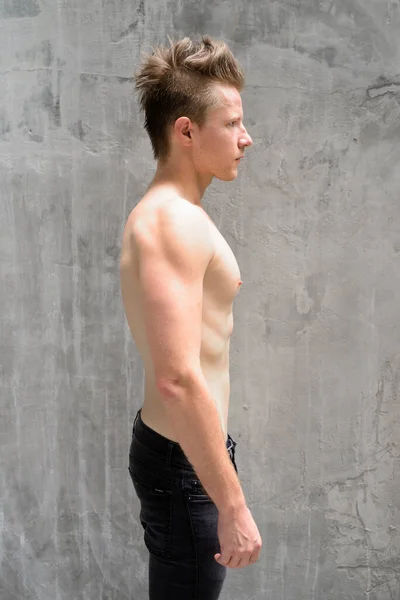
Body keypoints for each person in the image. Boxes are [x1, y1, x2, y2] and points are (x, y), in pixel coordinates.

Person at [119, 35, 262, 600]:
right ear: (185, 130)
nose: (246, 138)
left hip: (187, 456)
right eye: (231, 124)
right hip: (184, 465)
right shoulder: (171, 222)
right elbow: (177, 378)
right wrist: (233, 505)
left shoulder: (181, 216)